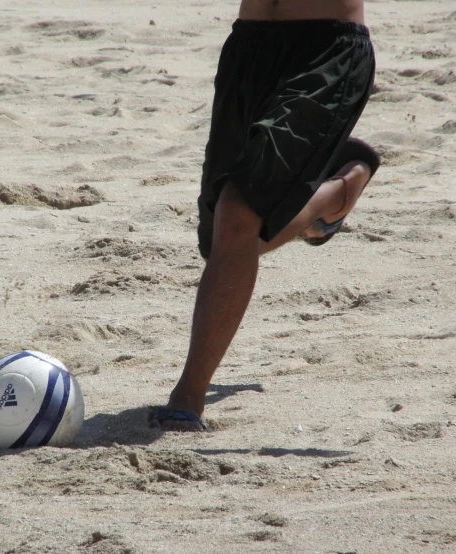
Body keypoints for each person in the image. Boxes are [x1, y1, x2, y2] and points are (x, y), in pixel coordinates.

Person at [150, 0, 380, 431]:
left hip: (326, 49)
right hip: (249, 49)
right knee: (226, 242)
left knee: (238, 218)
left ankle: (186, 400)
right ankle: (336, 192)